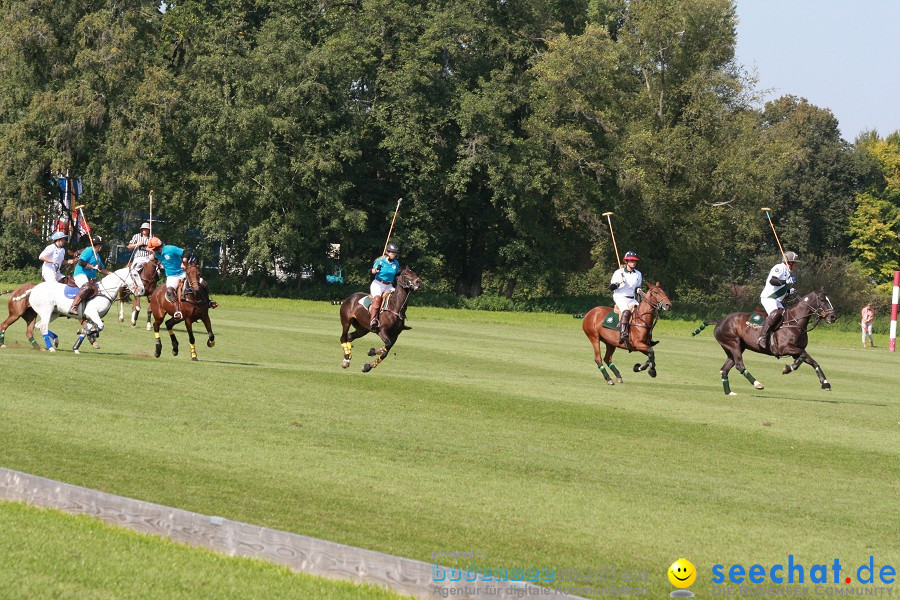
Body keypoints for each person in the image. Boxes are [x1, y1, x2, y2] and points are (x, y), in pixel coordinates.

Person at [757, 250, 798, 349]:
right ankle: (762, 338)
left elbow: (783, 290)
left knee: (784, 316)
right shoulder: (779, 267)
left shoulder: (788, 273)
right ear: (790, 262)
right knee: (776, 314)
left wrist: (789, 292)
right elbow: (773, 281)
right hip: (769, 297)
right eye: (795, 263)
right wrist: (786, 281)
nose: (795, 265)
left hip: (777, 300)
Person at [146, 237, 190, 319]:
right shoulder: (157, 254)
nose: (152, 250)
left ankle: (208, 302)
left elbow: (186, 252)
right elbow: (153, 258)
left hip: (183, 272)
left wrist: (184, 262)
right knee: (169, 291)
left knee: (199, 283)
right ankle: (177, 311)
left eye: (152, 249)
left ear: (157, 248)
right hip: (171, 276)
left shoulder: (170, 249)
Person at [68, 236, 111, 314]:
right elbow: (81, 262)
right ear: (96, 245)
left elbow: (101, 269)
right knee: (86, 287)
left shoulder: (97, 255)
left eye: (101, 244)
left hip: (90, 278)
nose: (101, 246)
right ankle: (73, 307)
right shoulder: (89, 250)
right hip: (80, 274)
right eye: (100, 244)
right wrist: (93, 267)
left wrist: (111, 274)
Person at [609, 251, 643, 344]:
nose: (633, 263)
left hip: (631, 298)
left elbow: (637, 287)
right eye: (631, 261)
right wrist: (618, 283)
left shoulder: (638, 274)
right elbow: (611, 288)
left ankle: (644, 335)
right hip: (620, 296)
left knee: (641, 312)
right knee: (626, 311)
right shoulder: (618, 272)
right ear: (626, 262)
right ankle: (623, 333)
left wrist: (640, 291)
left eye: (634, 261)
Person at [368, 243, 400, 332]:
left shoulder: (396, 263)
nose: (394, 254)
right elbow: (371, 271)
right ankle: (373, 320)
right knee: (377, 298)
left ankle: (397, 319)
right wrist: (375, 270)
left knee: (397, 298)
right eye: (392, 252)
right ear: (387, 252)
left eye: (395, 253)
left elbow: (397, 274)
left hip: (389, 285)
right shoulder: (380, 261)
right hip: (378, 284)